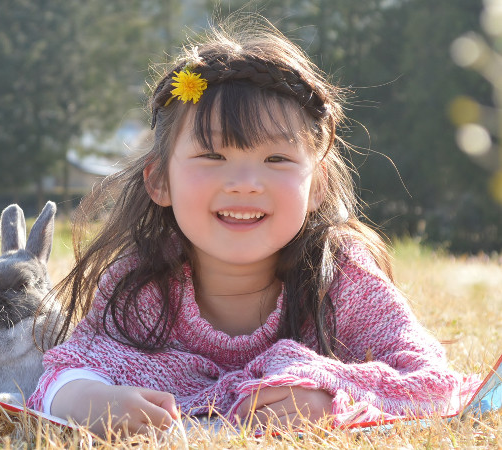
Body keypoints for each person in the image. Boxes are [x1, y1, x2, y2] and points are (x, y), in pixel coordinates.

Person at [27, 20, 466, 435]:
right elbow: (71, 368)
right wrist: (89, 400)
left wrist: (330, 399)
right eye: (213, 156)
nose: (243, 185)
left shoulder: (343, 279)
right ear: (160, 180)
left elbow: (431, 383)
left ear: (318, 187)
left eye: (276, 159)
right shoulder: (143, 280)